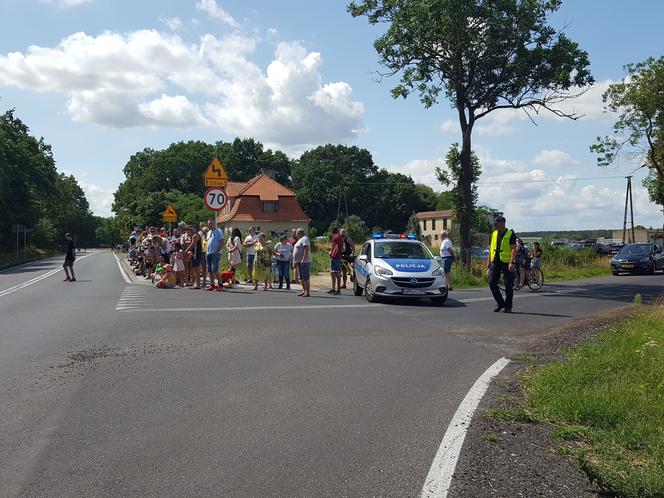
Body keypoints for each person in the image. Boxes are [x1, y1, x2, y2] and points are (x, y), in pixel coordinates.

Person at [487, 216, 517, 313]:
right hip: (495, 262)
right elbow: (491, 248)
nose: (495, 226)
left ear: (503, 223)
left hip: (507, 263)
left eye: (496, 224)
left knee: (508, 285)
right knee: (491, 282)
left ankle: (508, 306)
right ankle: (500, 303)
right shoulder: (494, 234)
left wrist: (512, 262)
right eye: (494, 224)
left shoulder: (510, 234)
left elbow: (513, 249)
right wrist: (489, 261)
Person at [205, 219, 224, 292]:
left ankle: (220, 285)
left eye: (211, 223)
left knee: (215, 270)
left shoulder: (219, 231)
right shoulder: (209, 232)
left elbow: (222, 242)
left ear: (214, 224)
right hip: (208, 253)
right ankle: (212, 285)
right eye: (209, 224)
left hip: (215, 254)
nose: (210, 225)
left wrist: (217, 251)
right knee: (209, 270)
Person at [293, 227, 311, 297]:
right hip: (299, 262)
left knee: (305, 276)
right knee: (302, 277)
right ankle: (304, 290)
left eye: (296, 233)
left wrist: (303, 259)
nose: (295, 234)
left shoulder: (304, 239)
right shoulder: (299, 240)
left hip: (305, 261)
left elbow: (306, 248)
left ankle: (308, 291)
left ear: (300, 233)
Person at [328, 226, 343, 295]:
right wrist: (330, 250)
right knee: (332, 273)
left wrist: (332, 255)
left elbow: (336, 248)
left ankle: (338, 290)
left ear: (332, 232)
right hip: (338, 257)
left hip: (335, 258)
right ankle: (333, 289)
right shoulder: (340, 238)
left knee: (336, 273)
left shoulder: (335, 238)